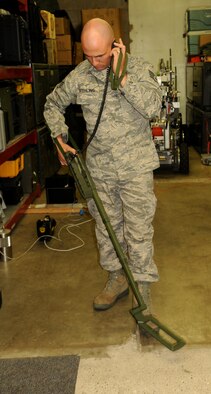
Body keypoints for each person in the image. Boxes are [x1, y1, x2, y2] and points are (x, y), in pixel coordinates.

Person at [44, 18, 162, 313]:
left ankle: (142, 285)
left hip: (135, 166)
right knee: (107, 229)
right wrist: (58, 137)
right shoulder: (81, 75)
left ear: (115, 45)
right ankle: (117, 279)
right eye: (88, 56)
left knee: (138, 230)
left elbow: (153, 107)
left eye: (100, 55)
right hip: (100, 169)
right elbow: (52, 103)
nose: (95, 62)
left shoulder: (137, 69)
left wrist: (122, 79)